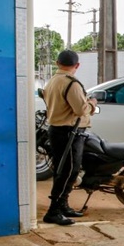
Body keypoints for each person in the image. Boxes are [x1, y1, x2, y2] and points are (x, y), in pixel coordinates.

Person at [42, 50, 97, 225]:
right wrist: (92, 103)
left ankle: (63, 205)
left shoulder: (52, 81)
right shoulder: (71, 84)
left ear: (57, 63)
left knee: (64, 171)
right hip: (69, 133)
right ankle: (54, 211)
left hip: (58, 131)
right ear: (77, 65)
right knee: (67, 172)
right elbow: (80, 110)